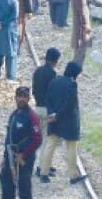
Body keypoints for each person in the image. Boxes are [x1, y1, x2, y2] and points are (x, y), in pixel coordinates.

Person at [40, 61, 87, 185]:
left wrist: (52, 113)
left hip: (54, 119)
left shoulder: (54, 81)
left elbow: (47, 99)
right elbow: (70, 103)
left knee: (50, 145)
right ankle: (73, 175)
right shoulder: (72, 84)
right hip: (69, 120)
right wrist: (58, 114)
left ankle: (44, 173)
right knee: (71, 146)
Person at [0, 86, 42, 199]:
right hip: (11, 156)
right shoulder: (13, 115)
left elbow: (37, 139)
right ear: (15, 98)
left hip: (25, 159)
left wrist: (24, 155)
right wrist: (5, 157)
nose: (22, 99)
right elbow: (8, 138)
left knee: (24, 188)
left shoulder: (32, 116)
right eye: (19, 96)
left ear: (28, 99)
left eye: (25, 97)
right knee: (6, 184)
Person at [32, 48, 60, 178]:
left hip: (37, 107)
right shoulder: (53, 74)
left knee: (38, 139)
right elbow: (53, 94)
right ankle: (42, 167)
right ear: (55, 61)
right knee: (46, 140)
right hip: (47, 110)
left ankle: (43, 164)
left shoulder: (37, 71)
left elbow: (34, 90)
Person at [70, 0, 92, 65]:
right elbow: (82, 9)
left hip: (78, 22)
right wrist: (86, 24)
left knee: (79, 48)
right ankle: (76, 68)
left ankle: (76, 67)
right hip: (81, 25)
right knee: (81, 48)